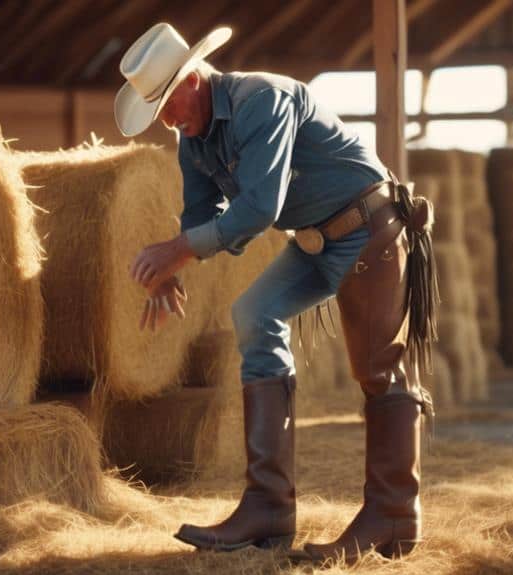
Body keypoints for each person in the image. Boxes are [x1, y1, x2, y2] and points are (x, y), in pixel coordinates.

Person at [115, 22, 437, 563]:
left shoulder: (262, 99)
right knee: (255, 313)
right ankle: (268, 505)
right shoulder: (191, 139)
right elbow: (199, 216)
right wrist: (173, 266)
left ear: (194, 75)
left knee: (379, 370)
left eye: (170, 101)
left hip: (369, 227)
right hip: (316, 241)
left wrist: (177, 250)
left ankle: (393, 513)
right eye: (159, 110)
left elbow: (261, 206)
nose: (169, 118)